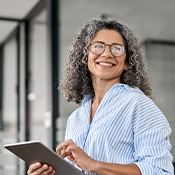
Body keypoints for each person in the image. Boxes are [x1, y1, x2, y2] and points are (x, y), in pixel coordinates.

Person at [27, 16, 174, 175]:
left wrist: (93, 164)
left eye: (116, 48)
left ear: (127, 62)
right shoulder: (76, 119)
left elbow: (160, 171)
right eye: (98, 46)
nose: (107, 54)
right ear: (85, 56)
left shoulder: (139, 105)